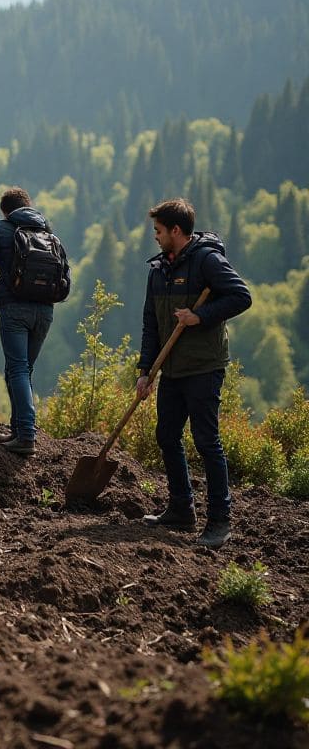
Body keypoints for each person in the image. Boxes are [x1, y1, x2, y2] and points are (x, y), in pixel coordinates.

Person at [137, 198, 251, 549]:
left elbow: (241, 297)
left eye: (158, 230)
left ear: (176, 230)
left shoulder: (207, 260)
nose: (155, 236)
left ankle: (219, 521)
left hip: (204, 367)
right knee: (167, 435)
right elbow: (150, 324)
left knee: (206, 441)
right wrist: (145, 370)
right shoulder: (158, 270)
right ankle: (181, 508)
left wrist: (199, 316)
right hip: (171, 369)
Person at [0, 187, 57, 457]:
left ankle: (26, 436)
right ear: (29, 206)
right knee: (23, 370)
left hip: (14, 309)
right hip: (45, 310)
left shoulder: (3, 228)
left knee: (17, 369)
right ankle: (17, 430)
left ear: (5, 211)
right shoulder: (47, 232)